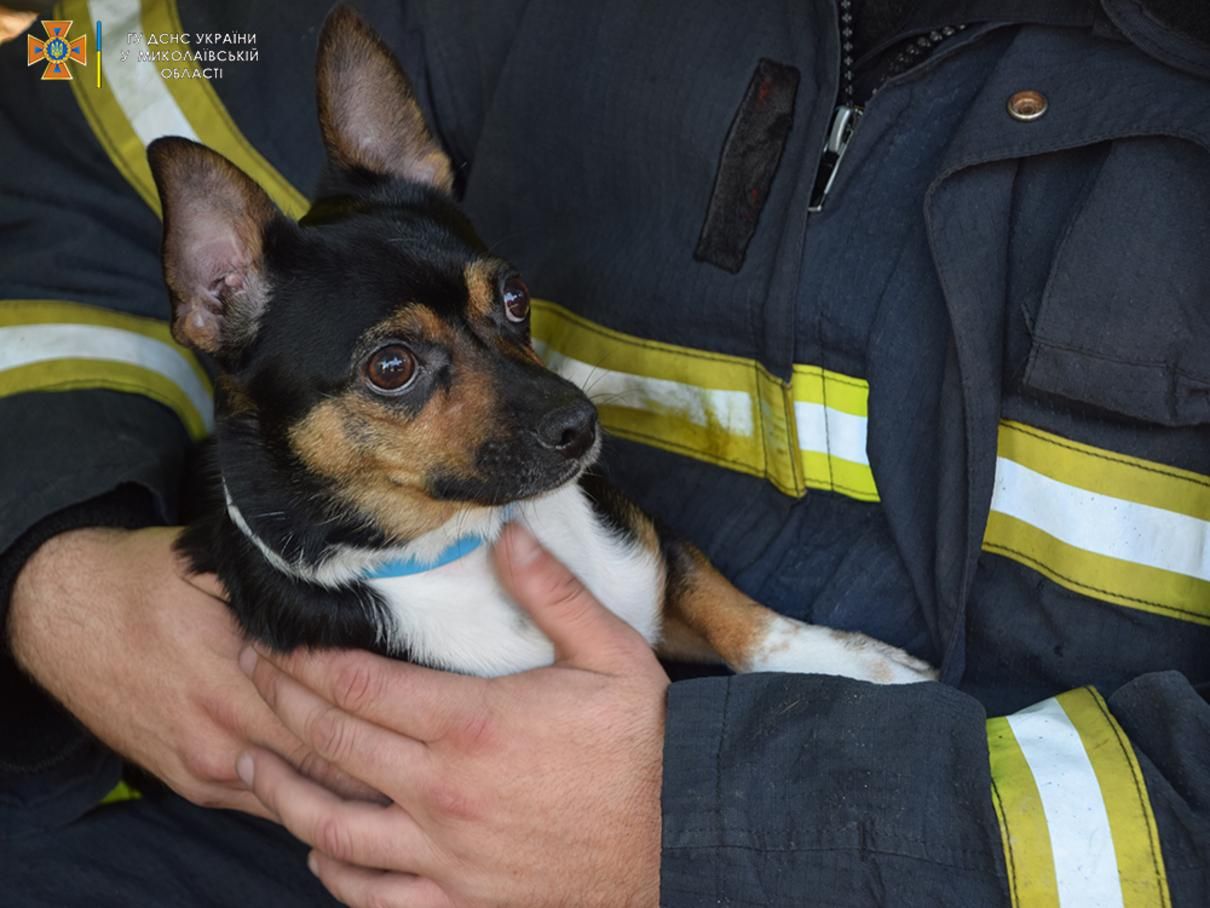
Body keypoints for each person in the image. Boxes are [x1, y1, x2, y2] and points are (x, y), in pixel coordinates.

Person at [2, 0, 1209, 905]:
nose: (543, 396)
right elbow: (76, 117)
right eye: (397, 369)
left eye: (504, 314)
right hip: (296, 809)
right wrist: (52, 566)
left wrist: (703, 822)